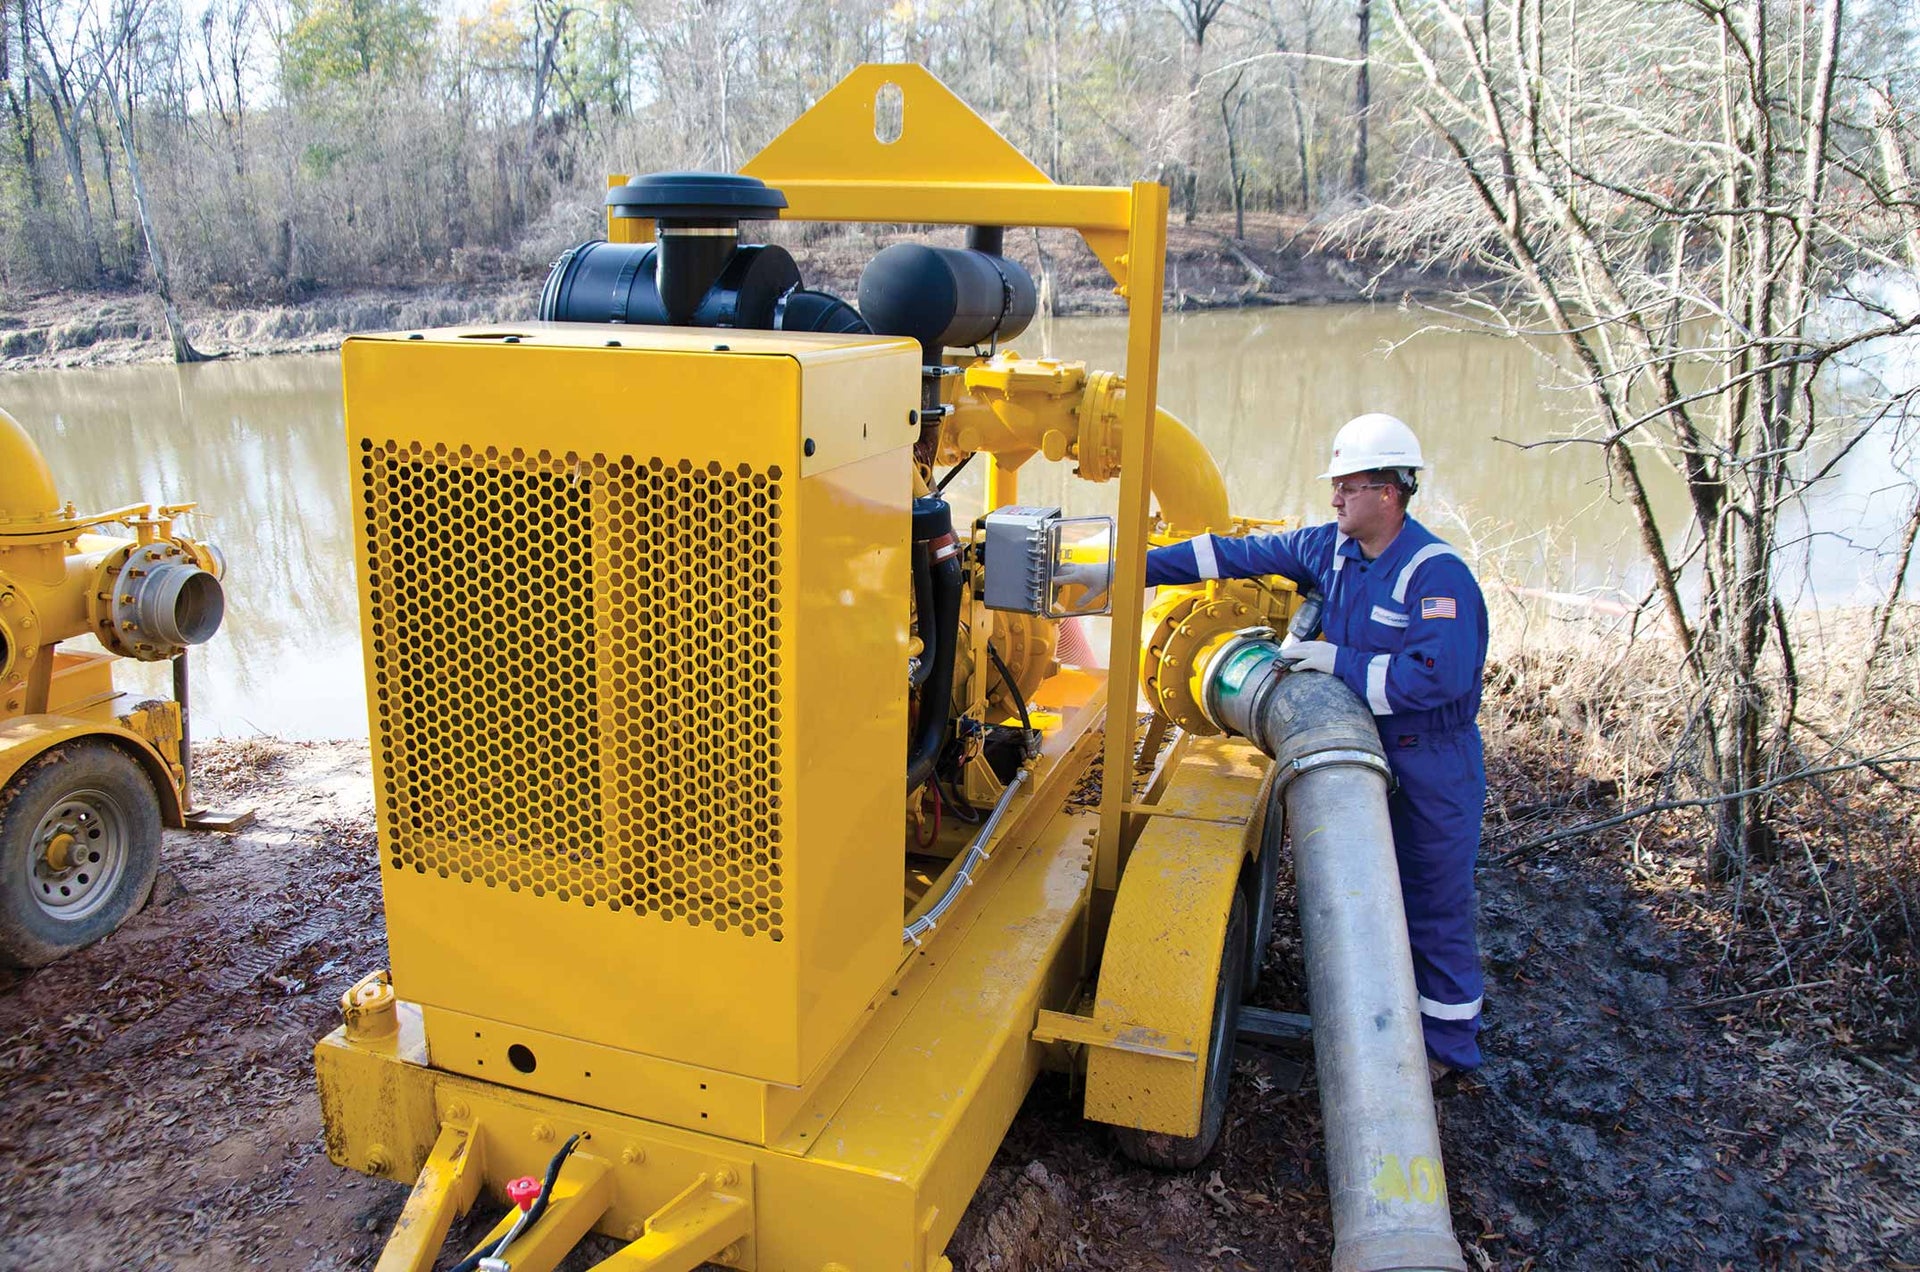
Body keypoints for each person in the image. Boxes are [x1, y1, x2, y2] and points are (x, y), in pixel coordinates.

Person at [1144, 412, 1489, 1076]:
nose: (1334, 498)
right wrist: (1133, 568)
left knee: (1430, 901)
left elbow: (1436, 676)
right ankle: (1377, 1018)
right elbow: (1230, 555)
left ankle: (1446, 1049)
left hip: (1429, 758)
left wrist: (1337, 661)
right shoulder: (1328, 547)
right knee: (1365, 887)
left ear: (1388, 492)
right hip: (1359, 744)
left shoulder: (1435, 576)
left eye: (1347, 486)